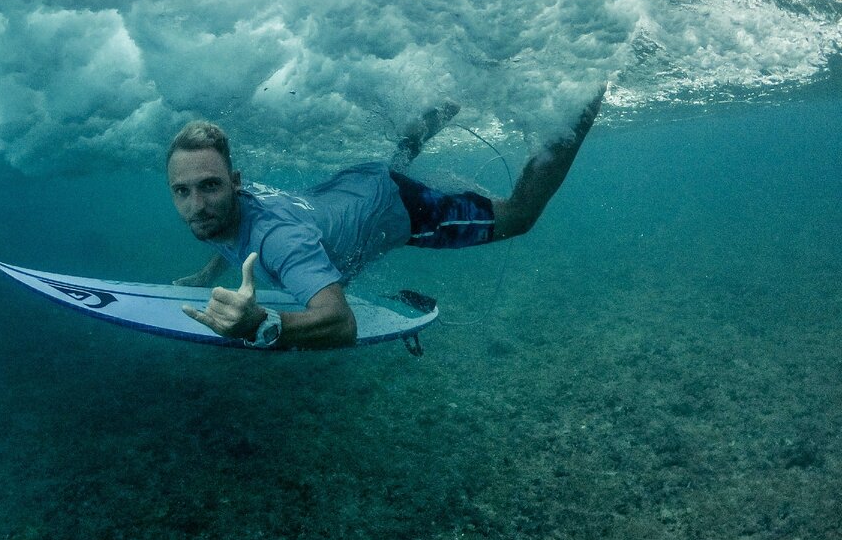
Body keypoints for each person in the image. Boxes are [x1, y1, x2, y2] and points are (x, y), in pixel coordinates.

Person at [168, 89, 604, 349]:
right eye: (182, 191)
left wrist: (262, 324)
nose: (197, 206)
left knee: (520, 216)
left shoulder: (280, 243)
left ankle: (578, 106)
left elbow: (340, 322)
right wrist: (205, 275)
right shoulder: (223, 205)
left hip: (396, 207)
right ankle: (443, 106)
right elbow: (228, 234)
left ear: (235, 183)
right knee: (394, 163)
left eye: (210, 187)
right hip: (356, 182)